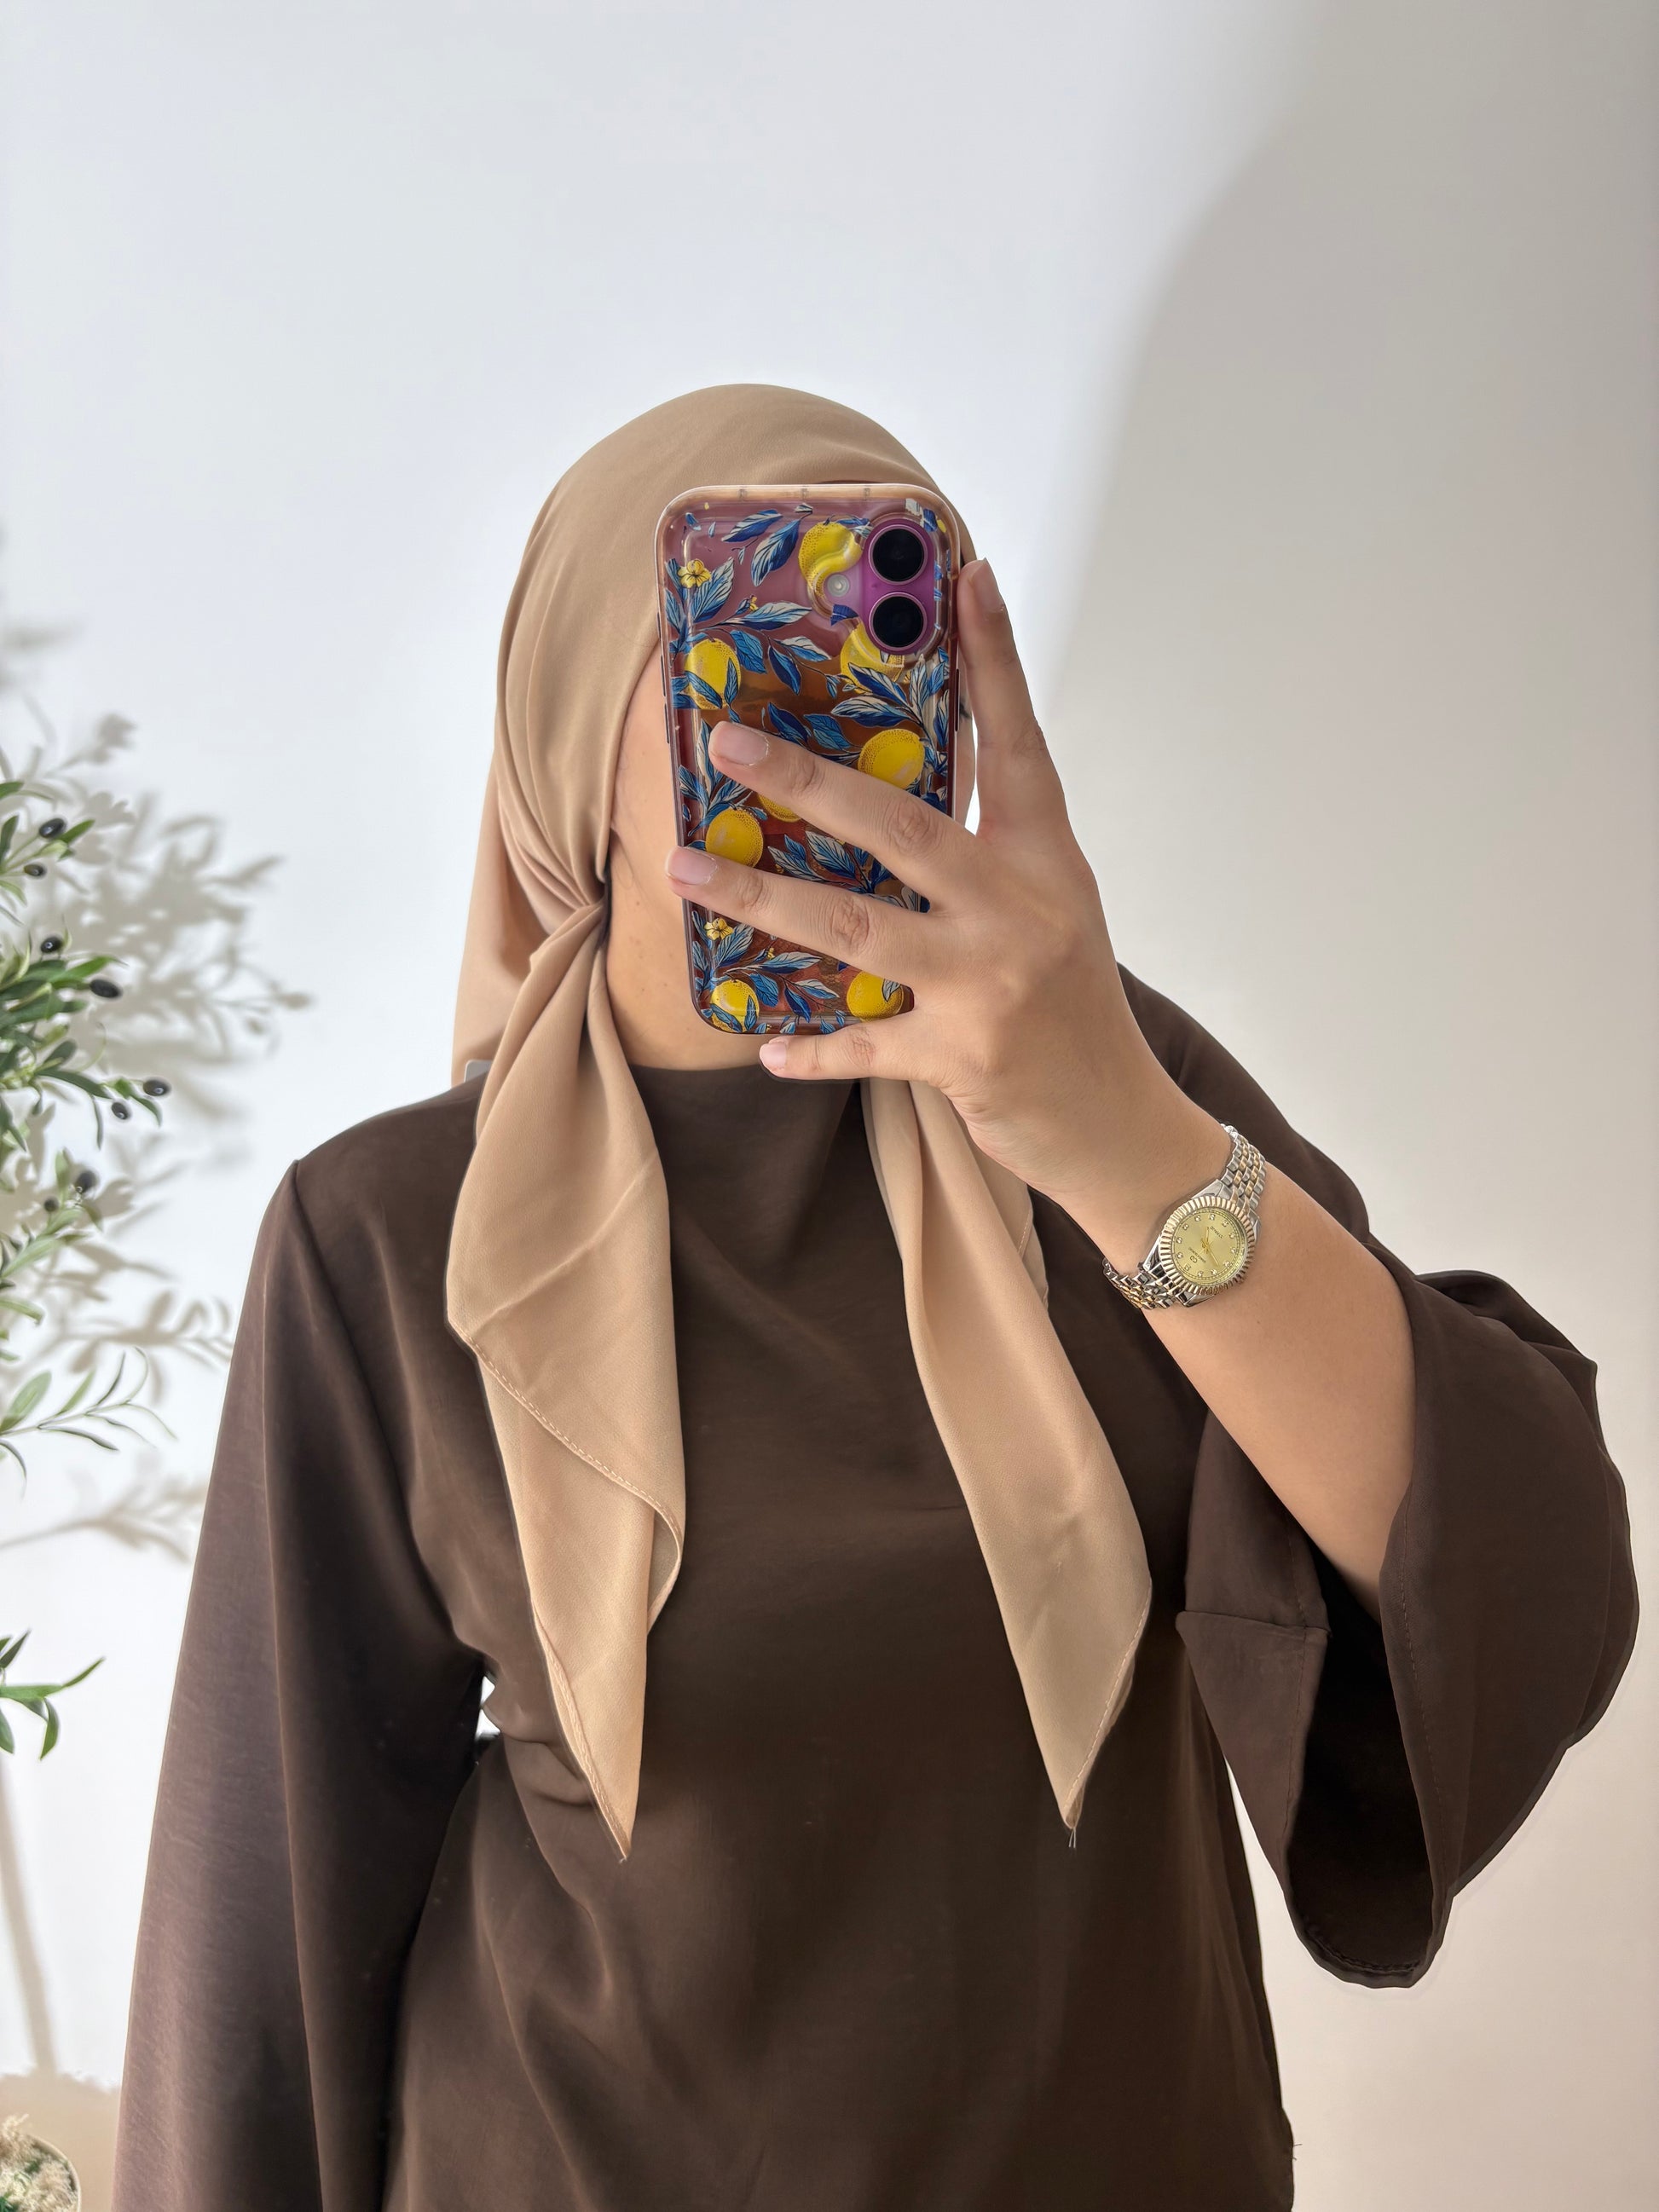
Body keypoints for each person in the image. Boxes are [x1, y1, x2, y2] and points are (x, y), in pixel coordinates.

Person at [112, 386, 1636, 2212]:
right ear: (566, 730)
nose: (805, 721)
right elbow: (262, 1914)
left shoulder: (1099, 1095)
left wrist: (1123, 1145)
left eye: (878, 632)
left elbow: (1516, 1560)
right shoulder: (387, 1233)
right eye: (737, 637)